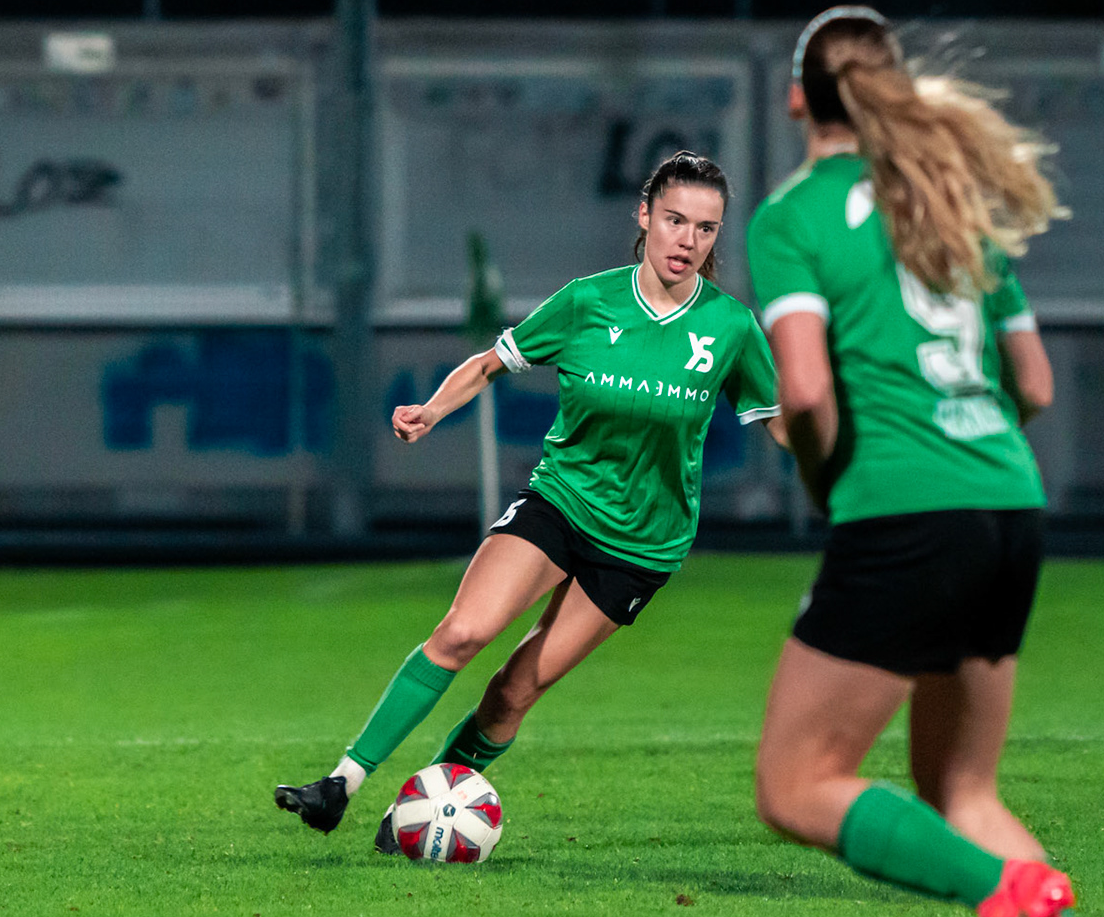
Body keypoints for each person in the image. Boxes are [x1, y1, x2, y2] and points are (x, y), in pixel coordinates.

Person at [748, 6, 1104, 917]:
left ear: (797, 98)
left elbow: (805, 391)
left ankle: (1001, 894)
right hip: (1008, 507)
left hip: (906, 516)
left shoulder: (792, 217)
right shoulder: (950, 202)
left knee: (795, 783)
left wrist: (821, 472)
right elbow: (1034, 385)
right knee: (964, 789)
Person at [275, 151, 786, 855]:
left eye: (706, 228)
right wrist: (431, 410)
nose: (688, 240)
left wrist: (850, 447)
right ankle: (341, 784)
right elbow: (491, 361)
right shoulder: (587, 302)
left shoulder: (731, 328)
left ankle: (414, 815)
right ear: (644, 216)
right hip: (561, 503)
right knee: (462, 632)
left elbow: (781, 421)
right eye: (675, 220)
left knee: (513, 693)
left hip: (643, 544)